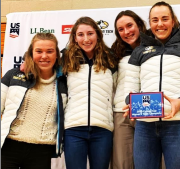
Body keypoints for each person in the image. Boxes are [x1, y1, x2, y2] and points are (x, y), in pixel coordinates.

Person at [123, 1, 180, 169]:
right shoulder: (139, 51)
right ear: (150, 23)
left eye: (165, 19)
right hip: (144, 127)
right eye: (155, 20)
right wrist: (131, 102)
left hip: (177, 125)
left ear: (173, 21)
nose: (160, 24)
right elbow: (129, 91)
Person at [1, 33, 67, 169]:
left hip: (41, 151)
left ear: (57, 55)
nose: (44, 56)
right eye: (39, 51)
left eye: (50, 51)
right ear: (31, 53)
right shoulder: (13, 75)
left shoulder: (64, 83)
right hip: (9, 147)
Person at [62, 16, 117, 169]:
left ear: (98, 35)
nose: (86, 39)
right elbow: (42, 60)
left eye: (90, 33)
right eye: (80, 34)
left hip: (102, 129)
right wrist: (28, 60)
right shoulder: (65, 58)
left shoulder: (110, 59)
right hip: (74, 130)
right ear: (74, 37)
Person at [111, 10, 147, 169]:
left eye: (130, 25)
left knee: (150, 161)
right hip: (122, 111)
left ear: (139, 24)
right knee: (122, 163)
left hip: (148, 111)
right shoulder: (115, 52)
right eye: (121, 29)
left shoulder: (154, 47)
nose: (126, 32)